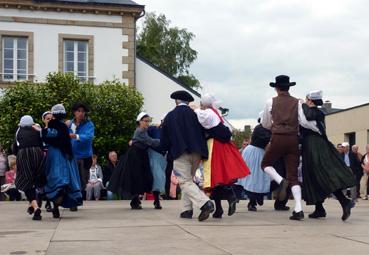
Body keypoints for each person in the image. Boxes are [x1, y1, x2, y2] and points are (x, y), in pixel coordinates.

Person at [261, 75, 320, 221]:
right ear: (289, 87)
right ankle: (298, 208)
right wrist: (318, 129)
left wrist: (275, 126)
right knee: (293, 176)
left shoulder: (270, 102)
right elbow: (304, 122)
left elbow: (265, 124)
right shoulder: (298, 102)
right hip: (293, 139)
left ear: (276, 88)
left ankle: (281, 181)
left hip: (277, 138)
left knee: (265, 164)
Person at [300, 90, 356, 221]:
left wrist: (302, 105)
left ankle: (344, 201)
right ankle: (319, 209)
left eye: (307, 99)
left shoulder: (316, 112)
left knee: (322, 175)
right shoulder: (315, 112)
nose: (306, 101)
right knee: (314, 176)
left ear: (310, 100)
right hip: (311, 145)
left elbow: (308, 115)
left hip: (316, 146)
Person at [160, 90, 214, 221]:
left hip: (180, 152)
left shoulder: (170, 116)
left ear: (176, 101)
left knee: (184, 181)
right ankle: (186, 210)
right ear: (188, 102)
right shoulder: (196, 114)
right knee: (188, 180)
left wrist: (163, 149)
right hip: (198, 152)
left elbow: (165, 140)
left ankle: (205, 203)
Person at [194, 93, 250, 218]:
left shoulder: (208, 113)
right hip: (221, 145)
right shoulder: (215, 113)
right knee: (217, 177)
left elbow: (200, 116)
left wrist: (194, 109)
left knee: (214, 177)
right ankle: (219, 208)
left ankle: (230, 196)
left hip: (214, 145)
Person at [108, 112, 159, 209]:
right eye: (145, 121)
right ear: (139, 122)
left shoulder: (143, 130)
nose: (147, 123)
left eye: (149, 121)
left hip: (140, 155)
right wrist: (163, 141)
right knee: (135, 177)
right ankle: (134, 200)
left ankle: (136, 200)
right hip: (135, 156)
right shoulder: (140, 131)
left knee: (140, 178)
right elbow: (150, 142)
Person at [41, 104, 83, 218]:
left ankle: (54, 205)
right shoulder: (64, 126)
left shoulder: (51, 125)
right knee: (65, 182)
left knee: (54, 181)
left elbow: (46, 136)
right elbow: (66, 142)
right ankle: (59, 205)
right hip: (64, 156)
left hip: (52, 155)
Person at [13, 115, 45, 220]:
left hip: (23, 154)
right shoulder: (37, 129)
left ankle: (36, 208)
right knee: (35, 179)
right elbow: (42, 144)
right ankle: (31, 205)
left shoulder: (18, 131)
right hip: (37, 153)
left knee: (25, 182)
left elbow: (15, 149)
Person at [238, 114, 271, 211]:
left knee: (260, 177)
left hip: (260, 153)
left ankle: (258, 196)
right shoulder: (259, 128)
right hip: (254, 153)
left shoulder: (267, 129)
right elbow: (269, 138)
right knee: (253, 177)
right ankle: (252, 201)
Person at [68, 102, 95, 207]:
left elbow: (89, 137)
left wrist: (76, 136)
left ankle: (78, 196)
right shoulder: (69, 124)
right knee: (73, 179)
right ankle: (74, 200)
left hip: (85, 156)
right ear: (74, 112)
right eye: (78, 111)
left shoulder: (89, 124)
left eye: (83, 111)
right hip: (72, 156)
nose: (81, 113)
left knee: (83, 181)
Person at [147, 124, 167, 209]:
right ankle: (157, 201)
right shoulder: (153, 128)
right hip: (153, 154)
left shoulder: (169, 131)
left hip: (162, 157)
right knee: (157, 177)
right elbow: (144, 135)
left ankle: (156, 199)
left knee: (160, 177)